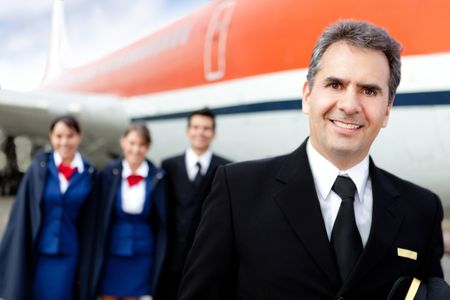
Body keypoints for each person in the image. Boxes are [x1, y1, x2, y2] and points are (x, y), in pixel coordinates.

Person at [177, 20, 444, 300]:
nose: (350, 105)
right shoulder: (238, 192)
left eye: (369, 91)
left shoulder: (422, 210)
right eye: (335, 84)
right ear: (307, 96)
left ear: (387, 110)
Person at [0, 115, 95, 300]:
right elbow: (21, 215)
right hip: (39, 251)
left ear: (79, 137)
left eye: (70, 135)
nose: (64, 142)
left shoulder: (89, 173)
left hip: (69, 253)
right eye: (59, 136)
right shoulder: (39, 168)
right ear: (51, 137)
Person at [156, 108, 231, 300]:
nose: (200, 133)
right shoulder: (169, 166)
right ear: (187, 131)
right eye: (196, 127)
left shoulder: (227, 169)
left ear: (213, 133)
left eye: (206, 128)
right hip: (171, 257)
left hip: (206, 258)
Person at [87, 123, 167, 300]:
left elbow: (161, 218)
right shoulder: (108, 173)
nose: (136, 149)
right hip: (111, 252)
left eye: (141, 145)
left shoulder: (158, 176)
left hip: (142, 253)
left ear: (148, 147)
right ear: (123, 142)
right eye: (132, 143)